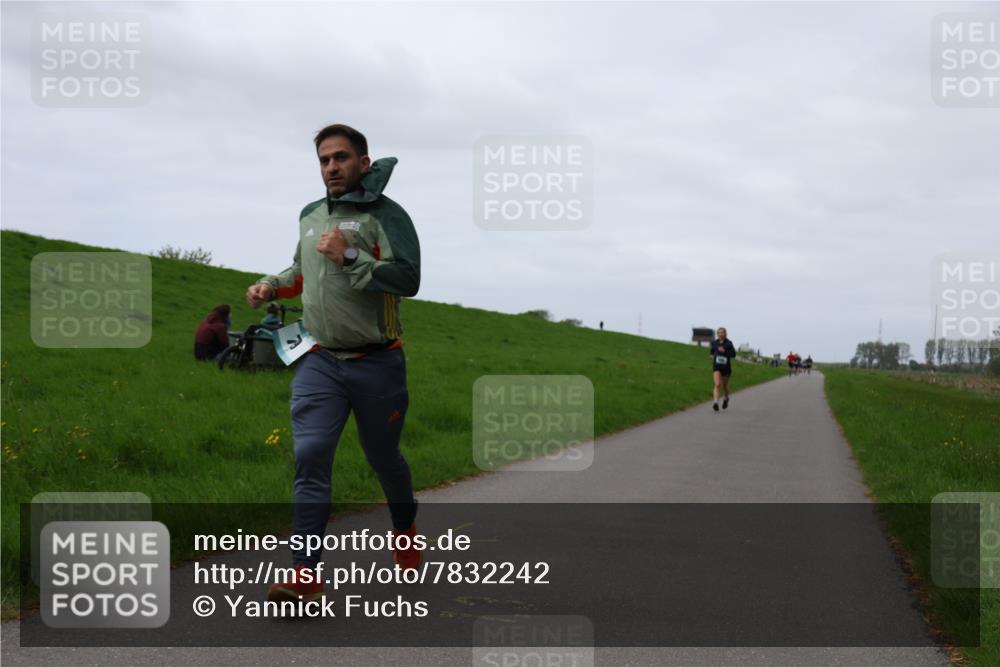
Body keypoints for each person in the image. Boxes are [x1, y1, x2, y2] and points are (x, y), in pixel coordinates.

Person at [246, 124, 421, 604]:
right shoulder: (311, 214)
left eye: (341, 158)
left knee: (384, 459)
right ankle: (305, 573)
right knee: (310, 457)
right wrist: (270, 285)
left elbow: (408, 279)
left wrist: (348, 254)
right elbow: (301, 273)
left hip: (378, 361)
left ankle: (405, 530)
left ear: (363, 163)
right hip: (319, 358)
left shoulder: (387, 215)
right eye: (324, 159)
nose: (331, 168)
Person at [710, 327, 736, 411]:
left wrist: (724, 351)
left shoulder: (729, 343)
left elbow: (733, 354)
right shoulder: (714, 343)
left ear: (725, 334)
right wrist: (711, 356)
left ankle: (726, 398)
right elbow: (712, 352)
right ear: (717, 334)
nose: (720, 334)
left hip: (726, 368)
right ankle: (715, 403)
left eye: (722, 332)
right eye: (719, 333)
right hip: (716, 367)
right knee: (717, 384)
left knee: (724, 386)